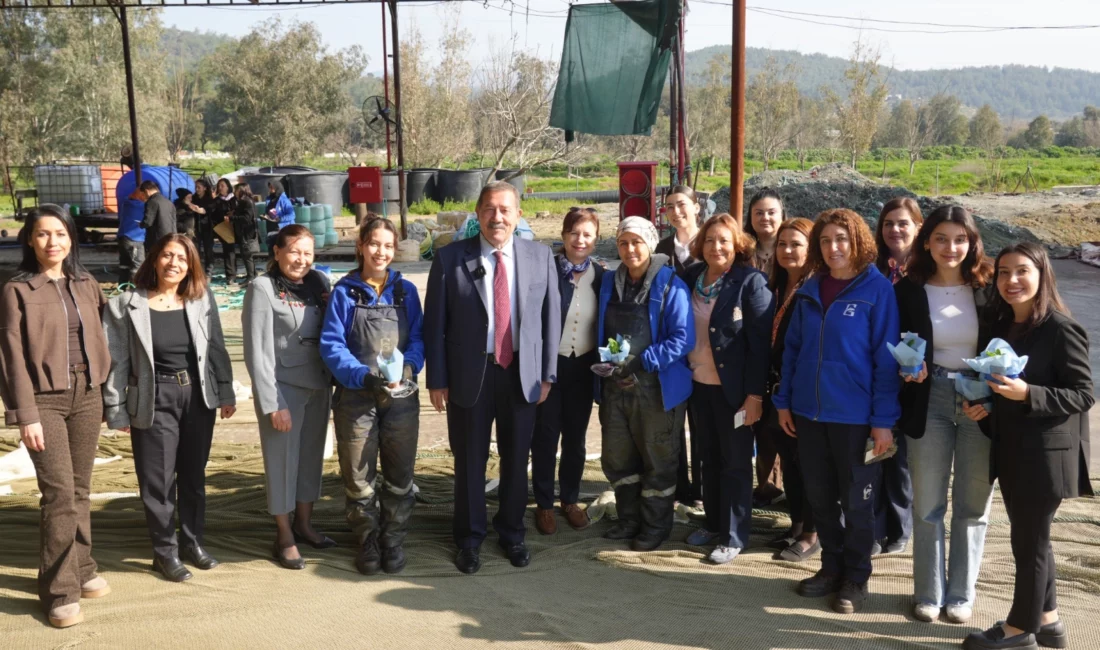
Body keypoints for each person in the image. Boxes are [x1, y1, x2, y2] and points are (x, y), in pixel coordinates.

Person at [424, 181, 560, 574]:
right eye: (489, 209)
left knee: (517, 460)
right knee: (470, 460)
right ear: (477, 213)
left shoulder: (539, 256)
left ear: (518, 214)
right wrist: (437, 379)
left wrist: (547, 373)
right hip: (471, 374)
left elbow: (551, 318)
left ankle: (513, 533)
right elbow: (436, 324)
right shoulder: (449, 259)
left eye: (505, 209)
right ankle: (469, 538)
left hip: (522, 374)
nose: (497, 217)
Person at [963, 243, 1094, 650]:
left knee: (1028, 542)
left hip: (1046, 455)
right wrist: (982, 406)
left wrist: (1028, 394)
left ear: (1042, 275)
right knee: (1032, 537)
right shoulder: (1005, 327)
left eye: (1022, 271)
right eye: (1003, 272)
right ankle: (1049, 620)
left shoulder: (1060, 327)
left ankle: (1021, 630)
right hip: (1013, 449)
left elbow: (1082, 394)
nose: (1011, 281)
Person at [773, 208, 901, 615]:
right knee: (821, 496)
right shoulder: (811, 288)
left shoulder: (877, 290)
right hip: (810, 414)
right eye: (826, 241)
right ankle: (830, 567)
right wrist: (784, 403)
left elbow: (887, 362)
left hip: (856, 418)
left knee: (858, 500)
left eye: (841, 239)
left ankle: (856, 576)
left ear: (859, 241)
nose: (834, 248)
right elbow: (792, 351)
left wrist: (882, 422)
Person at [0, 205, 113, 628]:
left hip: (88, 396)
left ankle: (83, 569)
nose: (53, 242)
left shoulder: (86, 283)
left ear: (71, 239)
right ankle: (59, 591)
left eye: (61, 234)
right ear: (29, 240)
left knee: (81, 489)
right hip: (43, 402)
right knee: (59, 494)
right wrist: (24, 414)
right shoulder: (16, 290)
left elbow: (109, 333)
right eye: (44, 234)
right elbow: (10, 358)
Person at [102, 235, 237, 583]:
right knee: (158, 482)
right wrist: (116, 408)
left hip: (197, 394)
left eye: (182, 258)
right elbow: (116, 361)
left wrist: (226, 392)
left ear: (190, 265)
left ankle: (193, 542)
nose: (174, 263)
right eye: (167, 255)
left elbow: (217, 347)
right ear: (154, 259)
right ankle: (164, 553)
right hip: (154, 396)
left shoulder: (200, 300)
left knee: (193, 477)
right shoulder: (125, 305)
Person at [895, 206, 995, 625]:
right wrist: (905, 368)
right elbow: (893, 344)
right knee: (929, 504)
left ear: (972, 242)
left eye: (959, 239)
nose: (950, 248)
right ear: (926, 242)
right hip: (928, 398)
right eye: (941, 238)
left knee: (973, 506)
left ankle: (960, 594)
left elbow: (1009, 348)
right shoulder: (909, 289)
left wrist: (994, 397)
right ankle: (929, 594)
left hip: (979, 400)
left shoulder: (989, 288)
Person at [321, 217, 425, 576]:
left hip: (401, 397)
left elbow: (418, 340)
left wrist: (408, 369)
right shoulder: (344, 292)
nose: (381, 252)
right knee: (359, 475)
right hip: (357, 397)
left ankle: (393, 539)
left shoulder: (406, 291)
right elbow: (331, 345)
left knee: (399, 472)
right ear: (361, 246)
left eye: (388, 245)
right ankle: (367, 538)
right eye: (375, 244)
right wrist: (362, 377)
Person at [680, 213, 772, 563]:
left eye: (723, 240)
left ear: (737, 244)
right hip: (698, 387)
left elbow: (759, 346)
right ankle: (714, 523)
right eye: (709, 240)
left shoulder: (751, 282)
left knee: (735, 462)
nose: (716, 246)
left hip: (734, 393)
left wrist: (754, 396)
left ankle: (734, 535)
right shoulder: (690, 277)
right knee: (706, 457)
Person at [598, 216, 693, 552]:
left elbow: (683, 339)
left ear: (650, 244)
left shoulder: (670, 285)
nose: (629, 249)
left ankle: (655, 527)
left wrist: (641, 362)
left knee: (658, 459)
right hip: (617, 389)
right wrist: (612, 366)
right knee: (618, 457)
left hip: (657, 390)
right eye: (623, 242)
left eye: (636, 241)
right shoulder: (611, 283)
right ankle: (629, 519)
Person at [244, 224, 336, 571]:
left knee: (310, 458)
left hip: (318, 385)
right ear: (277, 252)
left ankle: (305, 524)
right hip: (284, 390)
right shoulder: (262, 288)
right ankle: (283, 534)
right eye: (294, 251)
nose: (301, 259)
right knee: (282, 461)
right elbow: (257, 353)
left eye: (308, 253)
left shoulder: (319, 284)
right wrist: (273, 403)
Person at [532, 207, 605, 535]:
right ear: (563, 236)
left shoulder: (602, 276)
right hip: (551, 366)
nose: (580, 240)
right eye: (574, 233)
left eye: (587, 234)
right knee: (545, 437)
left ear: (596, 239)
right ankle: (544, 504)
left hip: (583, 366)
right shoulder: (545, 270)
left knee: (575, 439)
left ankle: (570, 500)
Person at [761, 218, 821, 562]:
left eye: (795, 244)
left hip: (803, 391)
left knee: (808, 461)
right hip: (776, 390)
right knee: (790, 460)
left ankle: (812, 534)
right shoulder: (777, 286)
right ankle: (796, 526)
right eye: (782, 244)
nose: (786, 251)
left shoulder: (815, 290)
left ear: (811, 248)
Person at [871, 197, 922, 555]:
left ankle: (900, 526)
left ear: (918, 226)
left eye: (903, 223)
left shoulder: (929, 271)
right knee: (876, 451)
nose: (895, 230)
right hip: (877, 369)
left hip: (915, 376)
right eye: (889, 223)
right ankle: (875, 523)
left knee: (902, 458)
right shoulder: (873, 268)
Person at [653, 185, 703, 506]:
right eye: (669, 207)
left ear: (697, 207)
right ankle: (679, 488)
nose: (676, 212)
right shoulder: (660, 248)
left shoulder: (712, 241)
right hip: (672, 350)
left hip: (706, 349)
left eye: (682, 204)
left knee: (702, 425)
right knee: (672, 425)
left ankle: (701, 490)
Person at [743, 188, 787, 507]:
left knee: (780, 423)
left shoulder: (794, 250)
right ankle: (762, 486)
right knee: (755, 422)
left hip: (784, 349)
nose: (765, 218)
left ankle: (780, 486)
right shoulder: (743, 252)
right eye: (759, 212)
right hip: (749, 346)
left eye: (771, 212)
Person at [209, 178, 238, 284]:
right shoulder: (216, 201)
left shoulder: (234, 199)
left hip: (237, 227)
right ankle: (230, 276)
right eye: (219, 186)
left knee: (240, 252)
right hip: (224, 229)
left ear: (228, 186)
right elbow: (211, 214)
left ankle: (247, 274)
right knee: (228, 252)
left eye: (222, 185)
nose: (220, 188)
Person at [186, 179, 217, 275]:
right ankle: (197, 271)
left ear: (204, 188)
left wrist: (194, 207)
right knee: (196, 250)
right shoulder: (193, 198)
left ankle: (209, 271)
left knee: (208, 250)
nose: (197, 189)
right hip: (195, 227)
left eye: (199, 187)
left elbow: (205, 211)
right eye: (196, 187)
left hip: (207, 227)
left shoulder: (209, 200)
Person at [231, 183, 260, 284]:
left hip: (247, 232)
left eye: (236, 190)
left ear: (242, 190)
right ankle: (253, 274)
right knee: (246, 255)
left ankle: (250, 277)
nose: (235, 192)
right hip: (243, 232)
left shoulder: (247, 202)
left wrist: (232, 218)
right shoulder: (243, 201)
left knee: (247, 255)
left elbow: (246, 218)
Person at [139, 180, 177, 252]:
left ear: (147, 191)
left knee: (154, 260)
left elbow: (148, 222)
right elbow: (174, 221)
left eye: (143, 194)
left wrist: (141, 224)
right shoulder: (169, 202)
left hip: (156, 239)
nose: (144, 197)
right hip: (170, 237)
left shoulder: (152, 201)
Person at [265, 180, 296, 252]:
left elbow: (292, 215)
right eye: (269, 188)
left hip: (281, 229)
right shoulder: (269, 199)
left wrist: (280, 219)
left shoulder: (284, 200)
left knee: (281, 251)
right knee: (272, 251)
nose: (270, 189)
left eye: (272, 187)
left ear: (277, 187)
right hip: (271, 228)